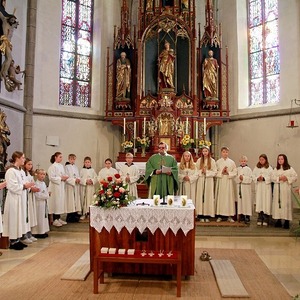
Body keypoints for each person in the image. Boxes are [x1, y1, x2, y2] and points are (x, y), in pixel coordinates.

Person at [2, 151, 35, 250]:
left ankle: (18, 239)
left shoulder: (21, 171)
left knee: (20, 219)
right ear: (17, 158)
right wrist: (24, 186)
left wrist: (28, 185)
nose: (24, 160)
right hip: (14, 198)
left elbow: (25, 182)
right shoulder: (11, 171)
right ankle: (13, 241)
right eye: (23, 158)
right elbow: (11, 186)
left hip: (21, 197)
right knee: (14, 219)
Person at [272, 154, 297, 229]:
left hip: (286, 190)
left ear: (285, 160)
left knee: (286, 204)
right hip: (278, 189)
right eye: (279, 159)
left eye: (282, 159)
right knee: (278, 204)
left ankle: (286, 221)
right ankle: (278, 220)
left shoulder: (290, 168)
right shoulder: (276, 169)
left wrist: (287, 178)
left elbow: (295, 176)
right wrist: (279, 178)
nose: (280, 160)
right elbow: (272, 177)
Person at [215, 146, 237, 222]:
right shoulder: (218, 162)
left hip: (228, 181)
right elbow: (215, 172)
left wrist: (228, 172)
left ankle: (229, 216)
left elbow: (235, 172)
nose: (225, 153)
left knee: (229, 198)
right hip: (221, 181)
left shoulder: (232, 162)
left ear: (228, 153)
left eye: (226, 152)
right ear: (221, 153)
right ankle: (220, 215)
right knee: (221, 197)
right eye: (223, 152)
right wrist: (221, 172)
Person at [195, 146, 217, 222]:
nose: (205, 153)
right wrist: (201, 172)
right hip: (201, 180)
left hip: (208, 180)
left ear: (208, 152)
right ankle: (200, 214)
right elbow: (196, 171)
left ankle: (207, 214)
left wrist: (206, 172)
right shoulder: (199, 161)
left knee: (208, 196)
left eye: (206, 151)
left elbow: (215, 172)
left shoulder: (212, 161)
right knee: (200, 196)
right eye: (203, 151)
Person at [48, 152, 69, 227]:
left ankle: (59, 217)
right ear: (55, 157)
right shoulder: (52, 167)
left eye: (61, 157)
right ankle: (54, 219)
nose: (61, 158)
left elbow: (63, 174)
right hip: (55, 187)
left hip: (60, 186)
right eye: (60, 157)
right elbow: (51, 177)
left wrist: (65, 177)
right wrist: (61, 178)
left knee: (60, 202)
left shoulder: (61, 166)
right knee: (55, 202)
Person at [252, 154, 273, 226]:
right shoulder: (256, 167)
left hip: (266, 188)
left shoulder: (269, 168)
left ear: (266, 160)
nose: (261, 161)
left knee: (266, 202)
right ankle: (260, 216)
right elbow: (253, 175)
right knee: (259, 201)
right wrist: (257, 178)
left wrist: (264, 178)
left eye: (263, 160)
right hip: (259, 187)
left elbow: (272, 177)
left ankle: (266, 217)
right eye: (260, 159)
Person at [22, 158, 39, 243]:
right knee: (26, 216)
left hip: (30, 196)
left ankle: (29, 233)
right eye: (28, 164)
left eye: (31, 164)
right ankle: (24, 235)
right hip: (26, 196)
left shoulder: (29, 174)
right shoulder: (23, 174)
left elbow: (32, 183)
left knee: (30, 215)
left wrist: (35, 188)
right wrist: (31, 188)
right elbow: (24, 184)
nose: (30, 166)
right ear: (24, 164)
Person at [32, 169, 50, 238]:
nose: (42, 176)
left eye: (44, 174)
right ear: (37, 175)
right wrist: (46, 195)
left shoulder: (44, 183)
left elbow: (44, 192)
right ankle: (38, 232)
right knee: (39, 217)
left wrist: (47, 194)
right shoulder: (36, 184)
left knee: (43, 217)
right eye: (41, 174)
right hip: (38, 203)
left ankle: (43, 231)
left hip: (43, 203)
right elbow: (38, 195)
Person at [65, 154, 81, 223]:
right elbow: (66, 177)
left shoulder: (76, 167)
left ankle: (75, 215)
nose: (72, 160)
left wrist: (78, 179)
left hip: (76, 185)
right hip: (70, 186)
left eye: (73, 159)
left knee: (75, 201)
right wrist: (74, 180)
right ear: (68, 159)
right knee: (70, 200)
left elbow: (78, 175)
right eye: (71, 159)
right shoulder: (66, 167)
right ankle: (69, 216)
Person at [236, 155, 253, 224]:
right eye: (242, 161)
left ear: (246, 161)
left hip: (246, 188)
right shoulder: (238, 169)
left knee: (247, 202)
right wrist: (239, 179)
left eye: (244, 161)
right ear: (240, 161)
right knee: (241, 202)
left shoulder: (249, 169)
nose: (243, 162)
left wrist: (244, 178)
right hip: (240, 186)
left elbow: (251, 179)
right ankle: (241, 215)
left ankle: (247, 216)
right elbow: (235, 178)